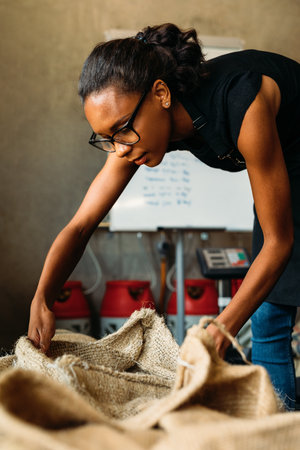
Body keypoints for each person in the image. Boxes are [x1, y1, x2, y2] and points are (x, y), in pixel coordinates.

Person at [28, 23, 300, 410]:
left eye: (122, 130)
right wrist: (43, 295)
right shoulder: (140, 131)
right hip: (289, 160)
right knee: (269, 316)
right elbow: (82, 223)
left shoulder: (242, 101)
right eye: (107, 138)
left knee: (271, 308)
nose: (119, 150)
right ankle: (282, 426)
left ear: (161, 94)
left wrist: (221, 328)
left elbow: (278, 243)